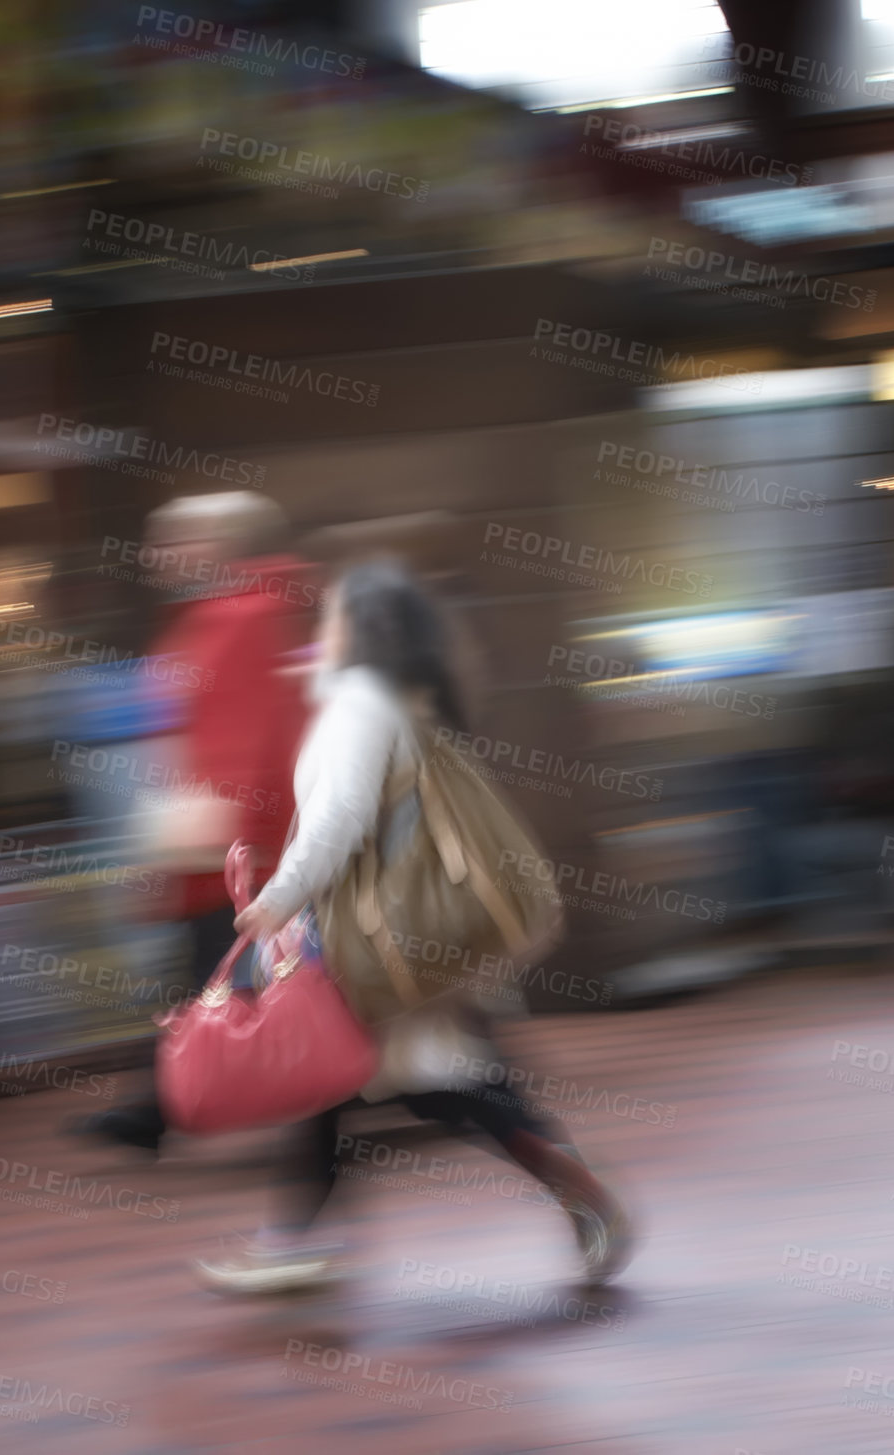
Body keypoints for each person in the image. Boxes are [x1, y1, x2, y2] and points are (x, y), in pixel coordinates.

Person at [195, 559, 634, 1292]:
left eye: (331, 615)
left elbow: (337, 819)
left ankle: (297, 1241)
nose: (320, 629)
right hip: (395, 937)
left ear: (360, 628)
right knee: (383, 1081)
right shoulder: (400, 700)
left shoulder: (360, 703)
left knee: (391, 1083)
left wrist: (277, 898)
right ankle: (297, 1239)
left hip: (373, 940)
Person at [76, 492, 314, 1154]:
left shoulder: (241, 617)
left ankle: (163, 1107)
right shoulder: (220, 616)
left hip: (237, 843)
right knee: (211, 970)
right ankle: (158, 1105)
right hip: (228, 837)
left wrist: (213, 834)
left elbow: (244, 737)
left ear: (225, 547)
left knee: (225, 970)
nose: (159, 555)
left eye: (179, 541)